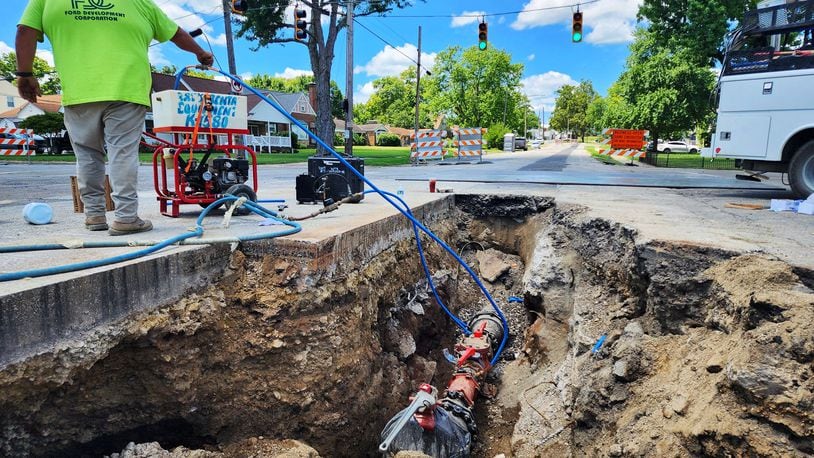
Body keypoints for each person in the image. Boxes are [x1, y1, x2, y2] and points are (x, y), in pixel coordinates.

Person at [16, 0, 214, 235]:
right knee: (122, 152)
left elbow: (25, 31)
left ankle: (95, 215)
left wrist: (25, 73)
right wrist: (201, 53)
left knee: (88, 154)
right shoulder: (139, 3)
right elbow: (177, 33)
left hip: (79, 91)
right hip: (127, 91)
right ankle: (126, 218)